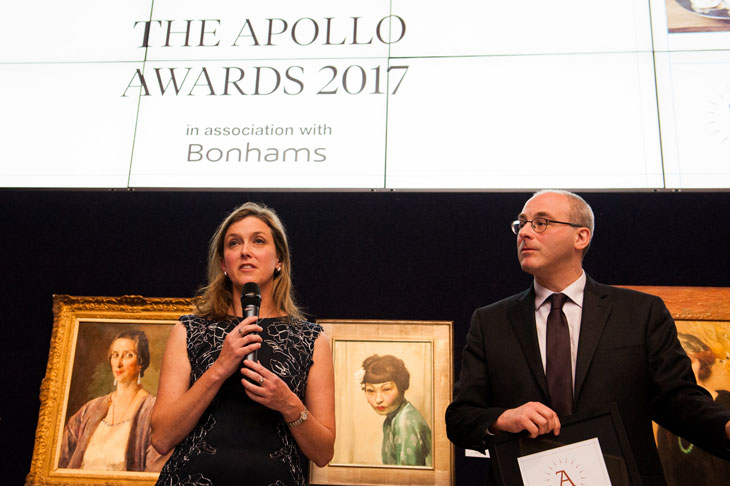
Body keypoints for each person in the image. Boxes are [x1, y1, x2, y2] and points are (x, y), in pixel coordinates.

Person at [445, 190, 730, 485]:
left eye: (541, 223)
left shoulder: (641, 313)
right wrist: (502, 419)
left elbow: (678, 401)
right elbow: (460, 418)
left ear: (581, 237)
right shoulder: (491, 321)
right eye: (522, 224)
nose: (525, 233)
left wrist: (725, 425)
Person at [150, 202, 335, 486]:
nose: (245, 251)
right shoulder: (189, 329)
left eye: (258, 241)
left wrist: (288, 404)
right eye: (234, 243)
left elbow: (323, 453)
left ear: (279, 261)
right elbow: (161, 438)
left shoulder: (311, 338)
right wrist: (220, 367)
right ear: (224, 264)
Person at [59, 330, 166, 471]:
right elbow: (60, 460)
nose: (119, 363)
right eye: (115, 355)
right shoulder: (89, 410)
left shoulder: (153, 411)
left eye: (128, 355)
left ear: (141, 362)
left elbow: (154, 472)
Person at [656, 332, 730, 485]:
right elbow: (668, 472)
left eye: (689, 361)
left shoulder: (726, 403)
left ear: (702, 363)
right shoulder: (667, 416)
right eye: (675, 362)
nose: (683, 368)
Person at [359, 354, 432, 466]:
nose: (378, 400)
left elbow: (408, 477)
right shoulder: (392, 418)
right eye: (370, 391)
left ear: (401, 387)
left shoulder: (405, 421)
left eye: (386, 389)